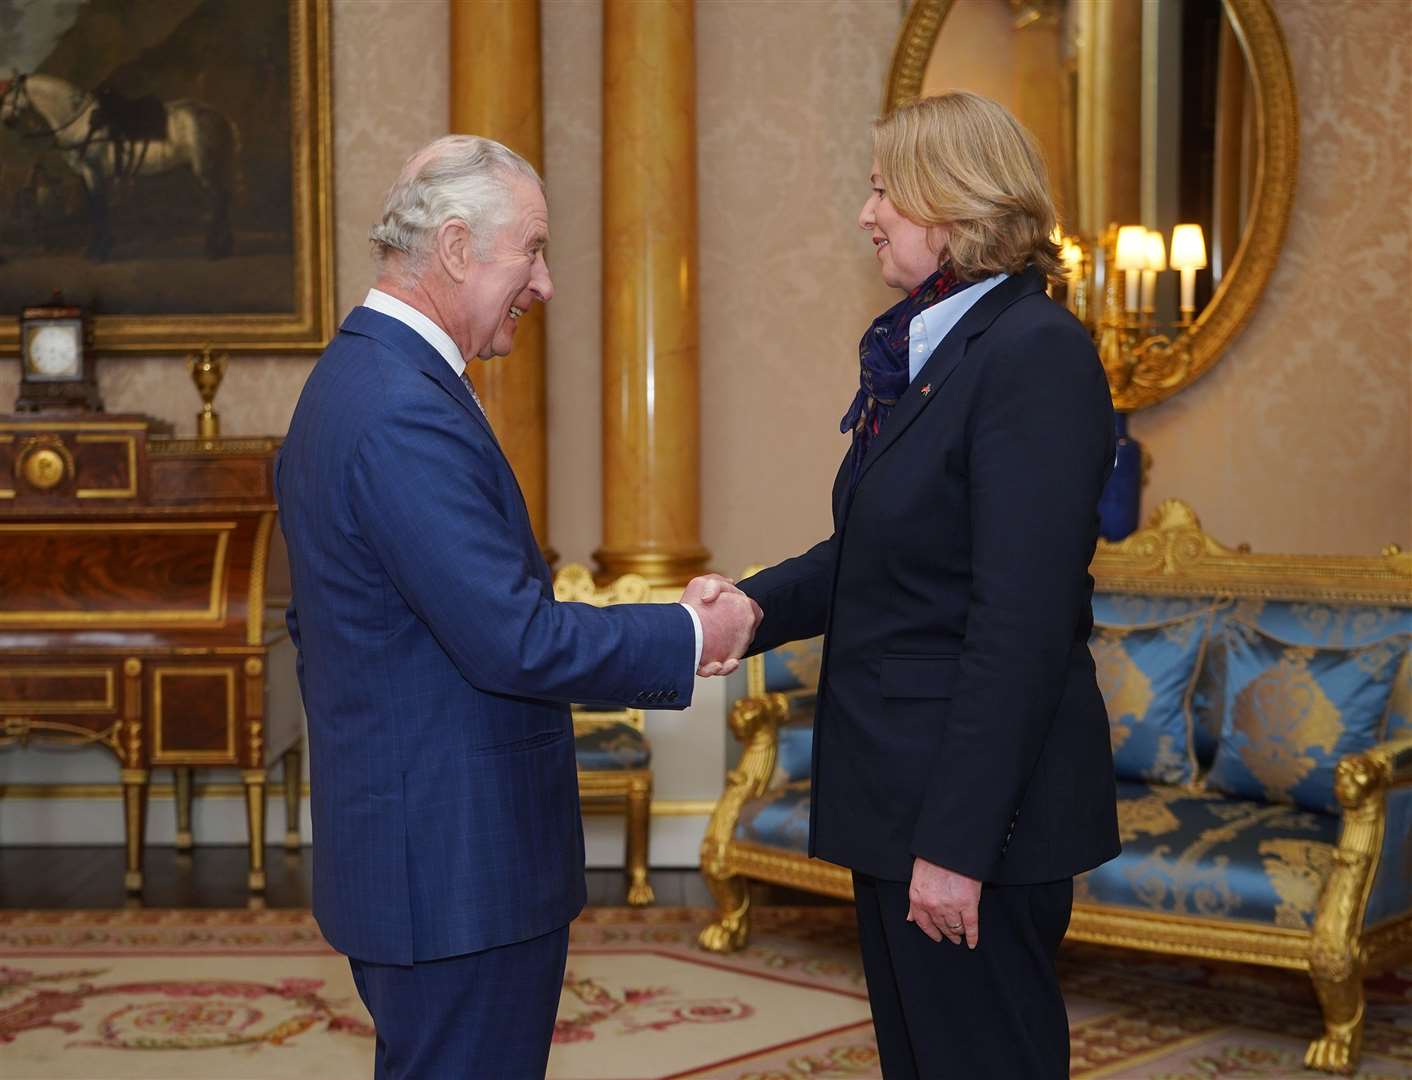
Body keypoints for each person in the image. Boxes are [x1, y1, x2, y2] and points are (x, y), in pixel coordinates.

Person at [275, 135, 760, 1079]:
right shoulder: (400, 409)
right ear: (457, 248)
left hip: (418, 848)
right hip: (453, 868)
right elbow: (515, 640)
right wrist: (696, 630)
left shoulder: (363, 382)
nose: (545, 281)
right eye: (531, 250)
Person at [692, 92, 1120, 1077]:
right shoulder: (934, 352)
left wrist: (957, 846)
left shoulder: (1033, 355)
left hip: (967, 820)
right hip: (902, 797)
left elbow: (1018, 623)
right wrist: (752, 607)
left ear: (954, 203)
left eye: (885, 188)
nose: (865, 212)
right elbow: (882, 555)